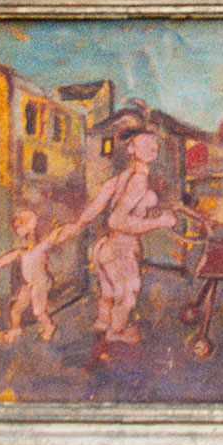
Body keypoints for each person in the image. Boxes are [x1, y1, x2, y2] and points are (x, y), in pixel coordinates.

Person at [78, 125, 176, 347]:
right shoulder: (139, 180)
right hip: (121, 250)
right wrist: (158, 222)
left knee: (109, 292)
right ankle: (115, 332)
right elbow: (116, 220)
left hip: (103, 248)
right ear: (131, 148)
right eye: (146, 142)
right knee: (128, 296)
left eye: (155, 142)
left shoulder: (121, 177)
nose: (154, 146)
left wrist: (76, 225)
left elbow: (94, 208)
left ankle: (103, 324)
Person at [0, 203, 73, 343]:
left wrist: (61, 228)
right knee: (16, 309)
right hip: (28, 284)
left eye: (19, 226)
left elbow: (54, 235)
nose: (16, 229)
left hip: (40, 284)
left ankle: (49, 327)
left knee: (38, 311)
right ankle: (16, 329)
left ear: (30, 226)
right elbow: (7, 258)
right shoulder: (23, 251)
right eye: (17, 227)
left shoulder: (42, 246)